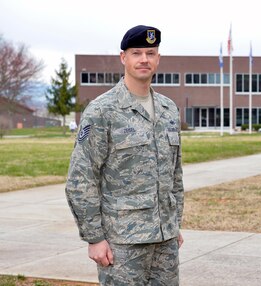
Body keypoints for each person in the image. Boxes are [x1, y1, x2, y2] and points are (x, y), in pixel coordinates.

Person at [65, 25, 184, 286]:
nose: (144, 59)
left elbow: (175, 174)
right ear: (124, 58)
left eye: (150, 53)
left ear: (158, 59)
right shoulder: (102, 111)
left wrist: (174, 224)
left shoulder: (168, 109)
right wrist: (94, 238)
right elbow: (80, 179)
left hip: (165, 241)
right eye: (136, 53)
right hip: (123, 243)